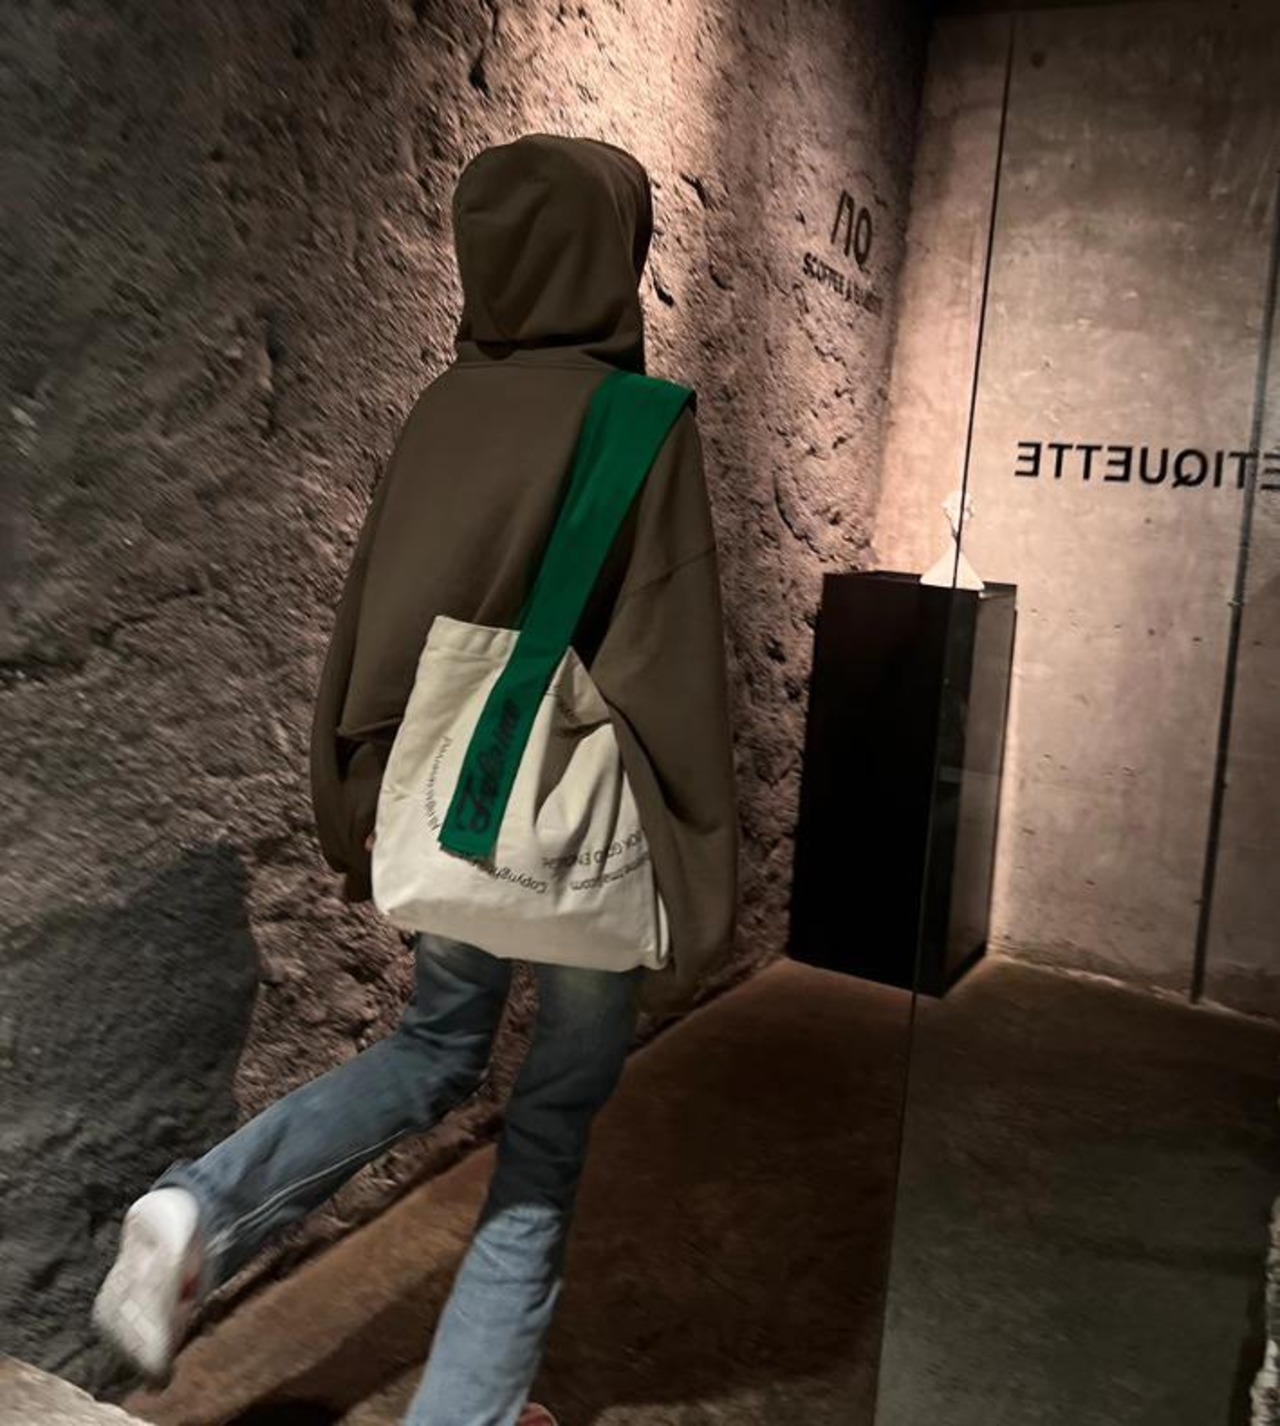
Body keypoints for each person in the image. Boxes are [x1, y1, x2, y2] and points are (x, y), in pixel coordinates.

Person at [91, 132, 739, 1426]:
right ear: (614, 253)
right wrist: (699, 876)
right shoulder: (642, 423)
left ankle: (198, 1206)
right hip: (582, 836)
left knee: (436, 1045)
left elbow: (372, 640)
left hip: (451, 812)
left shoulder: (442, 412)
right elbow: (665, 666)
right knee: (551, 1115)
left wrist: (353, 811)